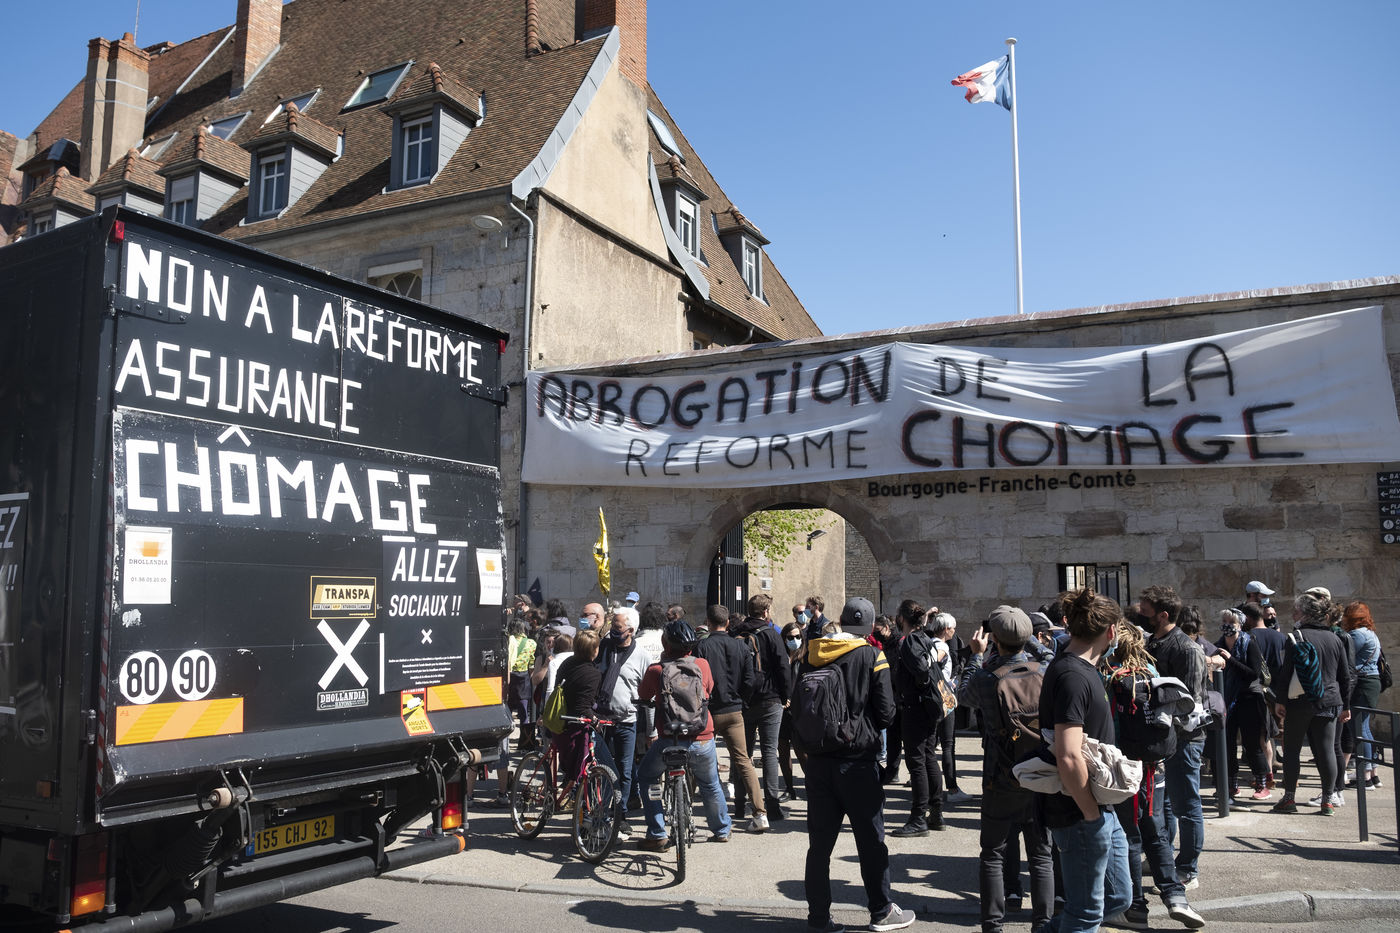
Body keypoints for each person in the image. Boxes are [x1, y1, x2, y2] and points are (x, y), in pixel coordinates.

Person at [798, 598, 913, 933]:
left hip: (819, 761)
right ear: (870, 626)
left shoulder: (813, 653)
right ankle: (881, 911)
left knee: (819, 847)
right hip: (858, 761)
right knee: (871, 841)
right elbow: (887, 714)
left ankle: (819, 918)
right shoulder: (872, 656)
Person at [1101, 622, 1206, 930]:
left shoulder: (1109, 675)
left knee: (1129, 836)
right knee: (1156, 832)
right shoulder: (1151, 672)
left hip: (1123, 767)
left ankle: (1135, 907)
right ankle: (1176, 897)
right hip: (1155, 766)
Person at [1040, 588, 1131, 933]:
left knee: (1118, 897)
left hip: (1098, 809)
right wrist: (1091, 815)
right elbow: (1068, 754)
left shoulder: (1082, 669)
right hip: (1080, 813)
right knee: (1085, 914)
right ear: (1111, 631)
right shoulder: (1073, 676)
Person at [957, 606, 1053, 933]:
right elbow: (1050, 654)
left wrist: (975, 655)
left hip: (1001, 774)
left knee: (992, 854)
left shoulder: (987, 677)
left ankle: (993, 925)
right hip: (1040, 772)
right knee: (1041, 855)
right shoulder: (1046, 671)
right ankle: (1043, 924)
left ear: (994, 639)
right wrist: (1031, 641)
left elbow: (963, 695)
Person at [635, 620, 732, 848]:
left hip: (670, 738)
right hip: (701, 736)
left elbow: (643, 694)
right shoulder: (702, 665)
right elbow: (708, 690)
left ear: (665, 643)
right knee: (710, 784)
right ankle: (721, 830)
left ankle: (657, 833)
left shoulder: (657, 670)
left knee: (647, 777)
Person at [1139, 585, 1207, 889]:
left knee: (1186, 805)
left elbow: (1189, 704)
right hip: (1161, 740)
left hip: (1184, 739)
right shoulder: (1152, 643)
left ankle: (1188, 869)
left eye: (1146, 611)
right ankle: (1163, 859)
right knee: (1165, 805)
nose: (1141, 616)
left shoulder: (1186, 649)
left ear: (1163, 615)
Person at [1271, 589, 1354, 815]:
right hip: (1329, 701)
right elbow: (1345, 677)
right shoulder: (1336, 638)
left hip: (1300, 701)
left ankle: (1289, 798)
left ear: (1306, 614)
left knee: (1292, 750)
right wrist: (1346, 706)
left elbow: (1286, 673)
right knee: (1327, 750)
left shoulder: (1296, 637)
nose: (1293, 614)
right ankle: (1328, 800)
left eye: (1296, 611)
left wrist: (1280, 701)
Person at [694, 604, 769, 832]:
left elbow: (697, 679)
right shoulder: (740, 646)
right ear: (727, 623)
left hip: (709, 710)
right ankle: (760, 812)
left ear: (708, 623)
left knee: (697, 759)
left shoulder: (701, 646)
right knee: (744, 761)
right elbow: (750, 679)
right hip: (734, 709)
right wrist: (742, 701)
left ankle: (687, 810)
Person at [731, 593, 796, 821]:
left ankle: (740, 804)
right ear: (766, 611)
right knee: (769, 751)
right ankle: (772, 805)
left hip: (744, 700)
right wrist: (786, 695)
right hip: (770, 698)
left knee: (743, 753)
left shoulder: (736, 634)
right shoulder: (771, 634)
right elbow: (783, 667)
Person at [890, 600, 946, 836]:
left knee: (916, 762)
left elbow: (922, 669)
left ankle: (918, 818)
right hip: (928, 706)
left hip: (916, 707)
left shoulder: (911, 641)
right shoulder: (925, 638)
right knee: (928, 757)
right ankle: (936, 812)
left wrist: (920, 687)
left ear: (902, 618)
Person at [596, 606, 651, 836]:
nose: (612, 630)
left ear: (631, 630)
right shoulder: (604, 648)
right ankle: (598, 814)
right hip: (600, 721)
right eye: (612, 626)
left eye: (617, 627)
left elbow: (648, 695)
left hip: (626, 721)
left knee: (625, 771)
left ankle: (621, 815)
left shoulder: (642, 656)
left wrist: (651, 730)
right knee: (600, 770)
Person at [1217, 610, 1268, 800]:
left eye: (1231, 622)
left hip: (1249, 698)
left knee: (1251, 743)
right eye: (1224, 621)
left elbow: (1254, 673)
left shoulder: (1249, 643)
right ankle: (1232, 785)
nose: (1227, 624)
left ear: (1240, 625)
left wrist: (1230, 660)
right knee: (1228, 744)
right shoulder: (1219, 645)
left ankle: (1262, 784)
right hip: (1227, 700)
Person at [552, 629, 606, 790]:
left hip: (559, 719)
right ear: (594, 650)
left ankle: (569, 793)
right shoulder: (593, 674)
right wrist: (595, 720)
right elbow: (583, 706)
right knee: (578, 766)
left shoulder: (567, 663)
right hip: (574, 725)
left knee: (569, 769)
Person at [928, 611, 970, 805]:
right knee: (947, 745)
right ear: (946, 629)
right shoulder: (942, 646)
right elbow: (931, 664)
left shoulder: (929, 642)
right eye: (952, 628)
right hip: (944, 700)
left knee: (932, 745)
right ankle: (952, 789)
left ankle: (932, 787)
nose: (954, 632)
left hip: (935, 699)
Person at [1342, 601, 1383, 789]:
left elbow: (1345, 657)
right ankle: (1373, 774)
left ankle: (1365, 776)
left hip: (1362, 683)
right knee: (1365, 729)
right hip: (1370, 682)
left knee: (1359, 729)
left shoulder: (1357, 634)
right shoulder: (1370, 633)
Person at [777, 619, 809, 801]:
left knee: (801, 752)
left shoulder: (805, 657)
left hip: (799, 711)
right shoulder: (780, 657)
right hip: (781, 710)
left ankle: (813, 786)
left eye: (797, 637)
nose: (794, 640)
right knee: (783, 751)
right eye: (790, 637)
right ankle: (789, 789)